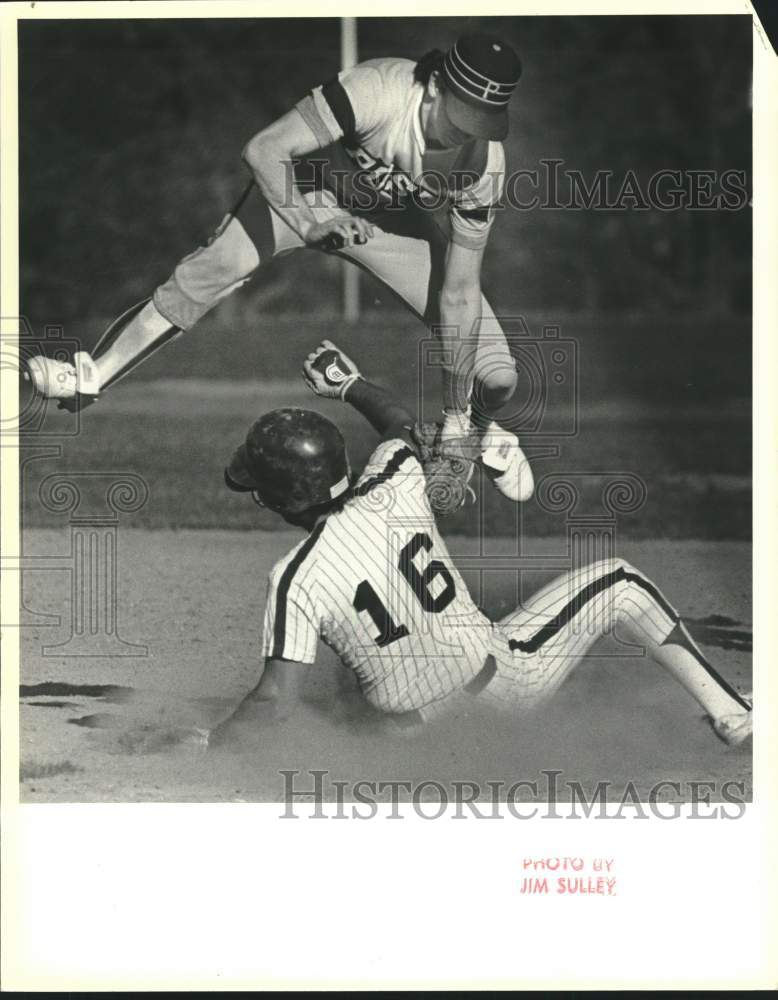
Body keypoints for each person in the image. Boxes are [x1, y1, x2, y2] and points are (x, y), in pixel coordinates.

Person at [25, 32, 534, 502]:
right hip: (305, 195)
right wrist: (308, 224)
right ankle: (90, 377)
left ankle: (479, 429)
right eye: (459, 116)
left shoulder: (482, 164)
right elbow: (265, 149)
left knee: (497, 375)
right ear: (434, 87)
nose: (466, 134)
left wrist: (452, 416)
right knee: (211, 268)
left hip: (390, 226)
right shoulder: (377, 90)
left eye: (482, 123)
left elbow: (461, 293)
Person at [204, 340, 752, 749]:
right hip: (502, 694)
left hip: (408, 743)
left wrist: (214, 743)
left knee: (353, 676)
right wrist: (348, 384)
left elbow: (274, 700)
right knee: (622, 582)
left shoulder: (295, 575)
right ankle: (736, 718)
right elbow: (400, 424)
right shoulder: (394, 481)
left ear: (273, 500)